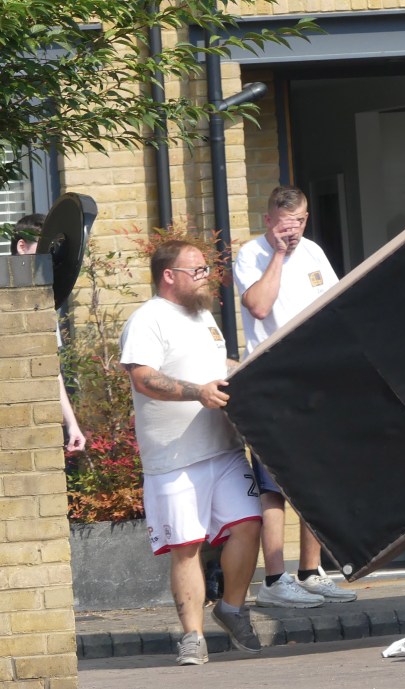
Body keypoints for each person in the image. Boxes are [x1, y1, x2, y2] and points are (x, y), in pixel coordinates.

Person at [120, 239, 264, 665]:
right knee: (187, 546)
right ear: (170, 276)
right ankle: (192, 638)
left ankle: (232, 608)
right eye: (196, 270)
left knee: (249, 524)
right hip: (173, 458)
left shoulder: (203, 316)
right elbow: (144, 378)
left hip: (223, 448)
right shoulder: (148, 319)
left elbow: (216, 370)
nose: (205, 276)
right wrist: (196, 393)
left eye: (205, 269)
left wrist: (252, 371)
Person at [234, 185, 357, 607]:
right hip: (272, 381)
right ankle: (274, 579)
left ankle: (310, 571)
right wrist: (280, 255)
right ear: (269, 220)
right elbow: (259, 307)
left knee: (315, 477)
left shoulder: (314, 251)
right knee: (275, 484)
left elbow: (334, 304)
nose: (296, 231)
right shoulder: (252, 255)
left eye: (302, 222)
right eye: (287, 224)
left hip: (314, 378)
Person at [12, 213, 86, 452]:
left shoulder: (42, 303)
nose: (51, 258)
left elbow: (50, 371)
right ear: (22, 247)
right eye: (44, 249)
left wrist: (71, 424)